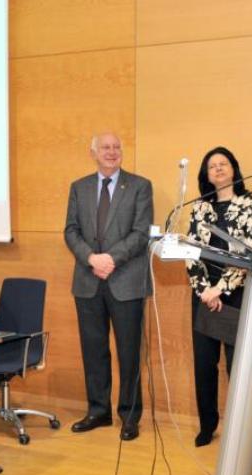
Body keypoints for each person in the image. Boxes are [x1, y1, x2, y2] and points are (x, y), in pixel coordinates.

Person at [64, 132, 153, 441]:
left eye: (116, 148)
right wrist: (91, 258)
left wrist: (110, 259)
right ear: (94, 153)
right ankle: (98, 410)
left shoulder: (140, 186)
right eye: (105, 147)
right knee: (94, 350)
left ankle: (130, 415)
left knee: (129, 352)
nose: (112, 152)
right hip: (88, 281)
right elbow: (71, 231)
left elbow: (141, 233)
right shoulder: (79, 187)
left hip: (125, 281)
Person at [185, 147, 252, 447]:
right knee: (204, 365)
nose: (217, 169)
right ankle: (207, 425)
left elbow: (249, 251)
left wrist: (222, 288)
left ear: (234, 169)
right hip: (203, 294)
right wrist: (204, 289)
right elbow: (191, 253)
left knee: (236, 366)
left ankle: (239, 429)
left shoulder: (251, 203)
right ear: (206, 175)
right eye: (211, 166)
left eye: (223, 164)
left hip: (235, 295)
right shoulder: (199, 208)